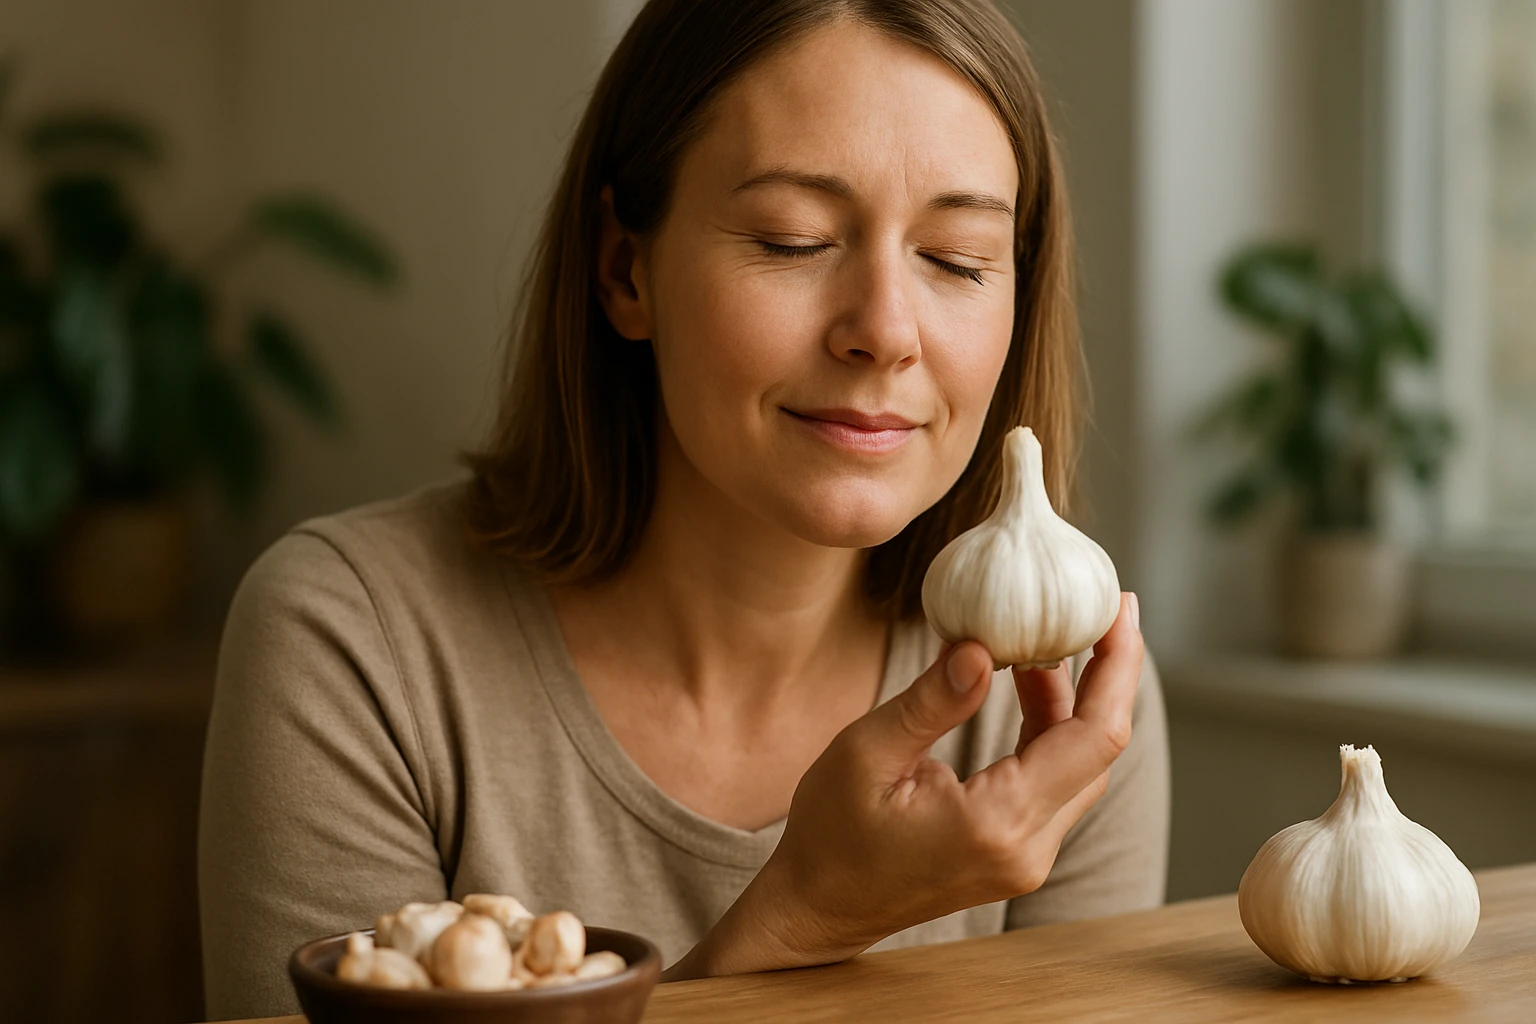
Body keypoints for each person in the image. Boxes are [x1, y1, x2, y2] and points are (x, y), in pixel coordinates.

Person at [197, 0, 1169, 1017]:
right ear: (626, 269)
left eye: (958, 258)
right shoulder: (355, 643)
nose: (884, 330)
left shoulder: (1061, 702)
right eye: (793, 240)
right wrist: (799, 922)